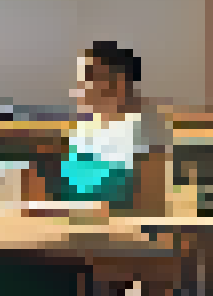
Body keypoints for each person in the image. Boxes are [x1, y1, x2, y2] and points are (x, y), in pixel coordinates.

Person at [62, 40, 172, 214]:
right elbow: (73, 189)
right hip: (76, 225)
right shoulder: (84, 124)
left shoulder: (147, 124)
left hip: (121, 231)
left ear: (119, 82)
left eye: (89, 77)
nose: (80, 86)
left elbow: (153, 204)